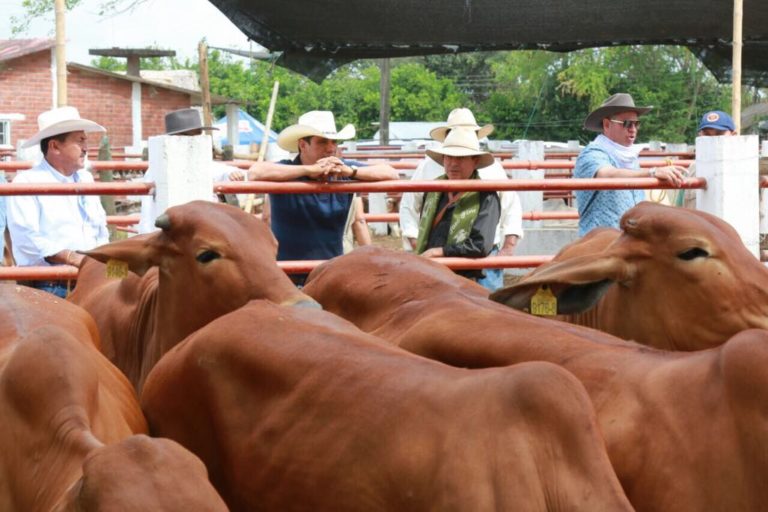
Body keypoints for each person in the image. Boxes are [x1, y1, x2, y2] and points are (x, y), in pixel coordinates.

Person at [246, 110, 398, 284]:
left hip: (331, 275)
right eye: (322, 142)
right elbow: (255, 172)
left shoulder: (343, 169)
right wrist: (310, 170)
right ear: (303, 145)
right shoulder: (286, 170)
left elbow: (391, 173)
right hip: (287, 277)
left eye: (334, 142)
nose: (331, 148)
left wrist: (351, 171)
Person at [400, 107, 523, 291]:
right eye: (449, 157)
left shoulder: (491, 177)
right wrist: (420, 245)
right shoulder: (429, 169)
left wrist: (508, 247)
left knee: (485, 307)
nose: (453, 163)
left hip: (480, 257)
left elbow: (510, 206)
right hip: (439, 260)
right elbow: (409, 204)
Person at [7, 106, 110, 298]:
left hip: (92, 272)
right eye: (80, 140)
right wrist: (74, 258)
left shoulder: (85, 178)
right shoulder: (27, 183)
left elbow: (100, 228)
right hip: (53, 282)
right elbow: (27, 238)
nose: (86, 147)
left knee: (135, 281)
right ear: (55, 146)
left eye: (86, 140)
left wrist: (104, 261)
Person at [574, 93, 686, 236]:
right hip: (599, 244)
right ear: (607, 124)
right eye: (627, 123)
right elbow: (606, 174)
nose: (633, 129)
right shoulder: (591, 154)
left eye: (636, 124)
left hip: (627, 243)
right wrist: (651, 173)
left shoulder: (630, 159)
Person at [415, 127, 500, 290]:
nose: (453, 163)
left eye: (460, 158)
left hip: (463, 280)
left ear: (474, 161)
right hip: (431, 274)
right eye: (449, 157)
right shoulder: (433, 190)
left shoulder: (486, 196)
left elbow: (480, 245)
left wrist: (440, 252)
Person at [138, 108, 241, 234]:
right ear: (176, 138)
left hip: (201, 226)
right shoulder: (156, 170)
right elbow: (148, 211)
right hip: (172, 229)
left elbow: (224, 171)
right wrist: (147, 234)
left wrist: (232, 174)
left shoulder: (204, 164)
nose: (195, 140)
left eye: (197, 135)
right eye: (191, 135)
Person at [675, 110, 737, 208]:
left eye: (719, 134)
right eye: (707, 135)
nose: (713, 140)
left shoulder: (747, 170)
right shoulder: (692, 169)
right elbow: (679, 207)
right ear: (700, 136)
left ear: (734, 136)